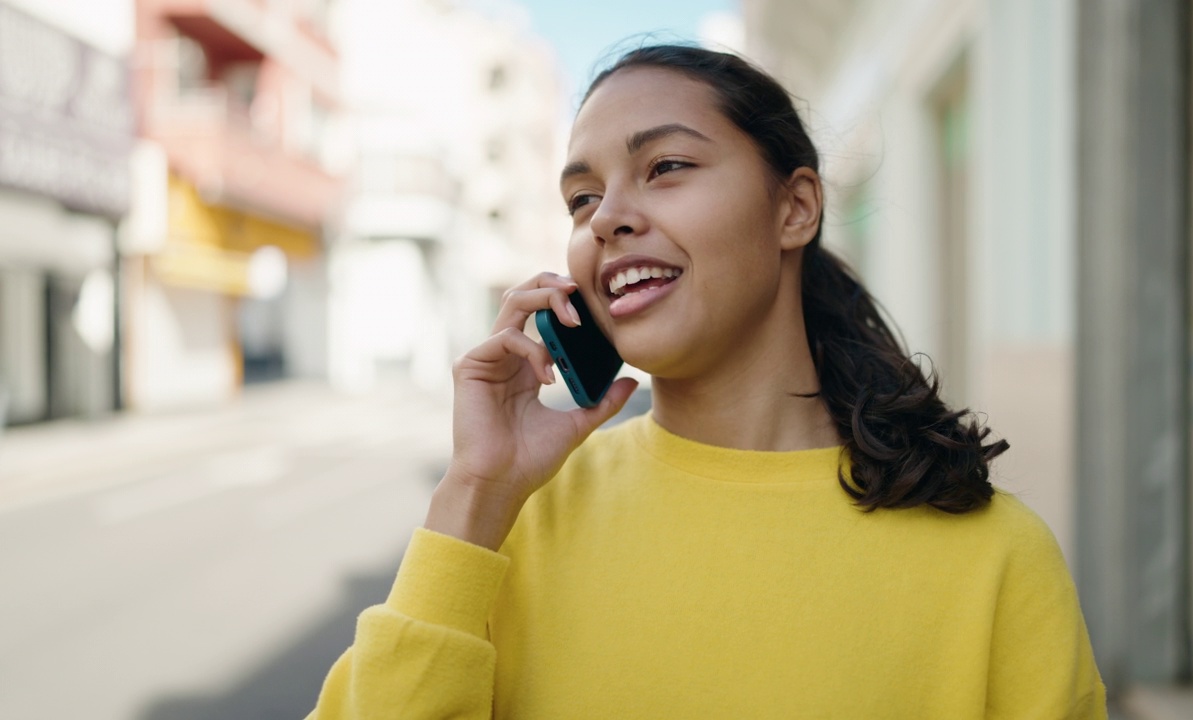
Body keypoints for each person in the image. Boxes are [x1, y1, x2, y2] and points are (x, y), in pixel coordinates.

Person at [307, 45, 1106, 719]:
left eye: (667, 167)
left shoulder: (997, 558)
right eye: (582, 198)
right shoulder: (511, 521)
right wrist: (473, 492)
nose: (606, 217)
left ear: (795, 209)